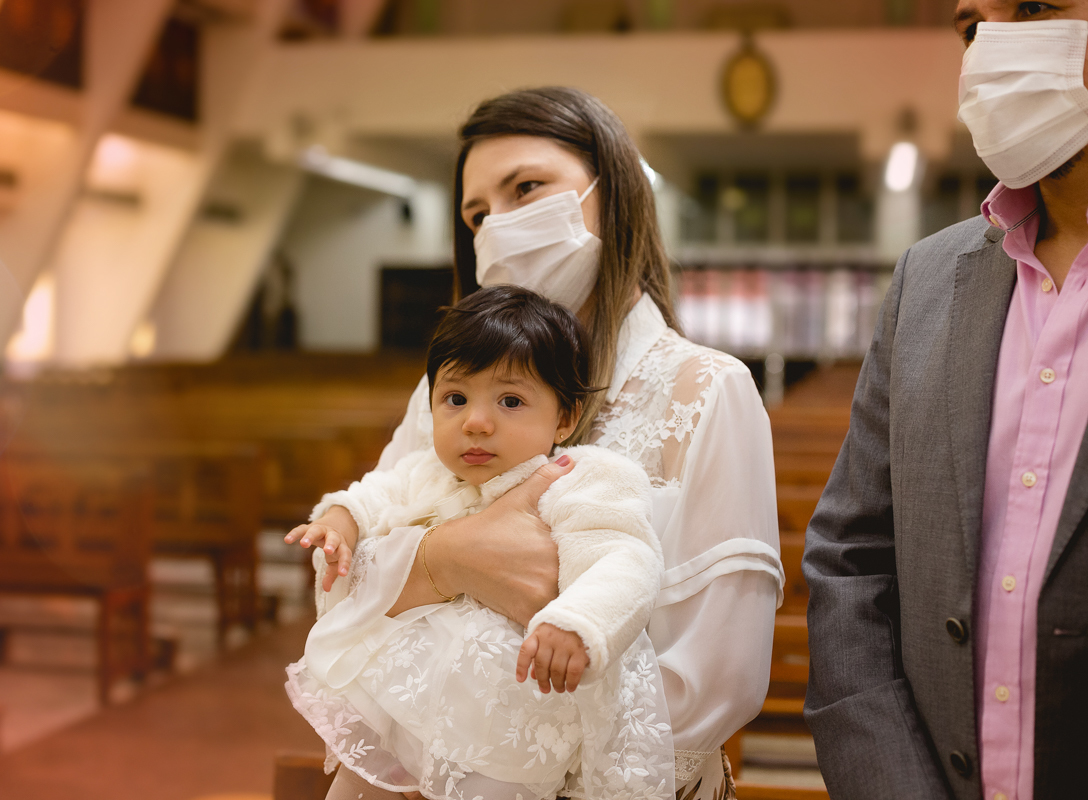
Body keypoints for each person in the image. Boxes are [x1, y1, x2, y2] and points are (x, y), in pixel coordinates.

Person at [287, 87, 783, 800]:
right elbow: (343, 583)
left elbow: (717, 678)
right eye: (477, 214)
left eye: (526, 189)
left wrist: (516, 768)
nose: (499, 226)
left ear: (612, 192)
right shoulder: (447, 396)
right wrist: (445, 558)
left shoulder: (705, 388)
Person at [803, 4, 1088, 799]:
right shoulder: (927, 280)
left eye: (1033, 8)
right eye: (971, 26)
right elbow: (849, 559)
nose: (992, 48)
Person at [286, 286, 674, 800]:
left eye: (510, 401)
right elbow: (373, 495)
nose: (475, 422)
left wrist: (579, 621)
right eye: (456, 399)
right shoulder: (426, 471)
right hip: (405, 701)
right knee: (355, 788)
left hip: (510, 718)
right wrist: (340, 521)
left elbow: (625, 560)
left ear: (565, 417)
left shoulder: (581, 479)